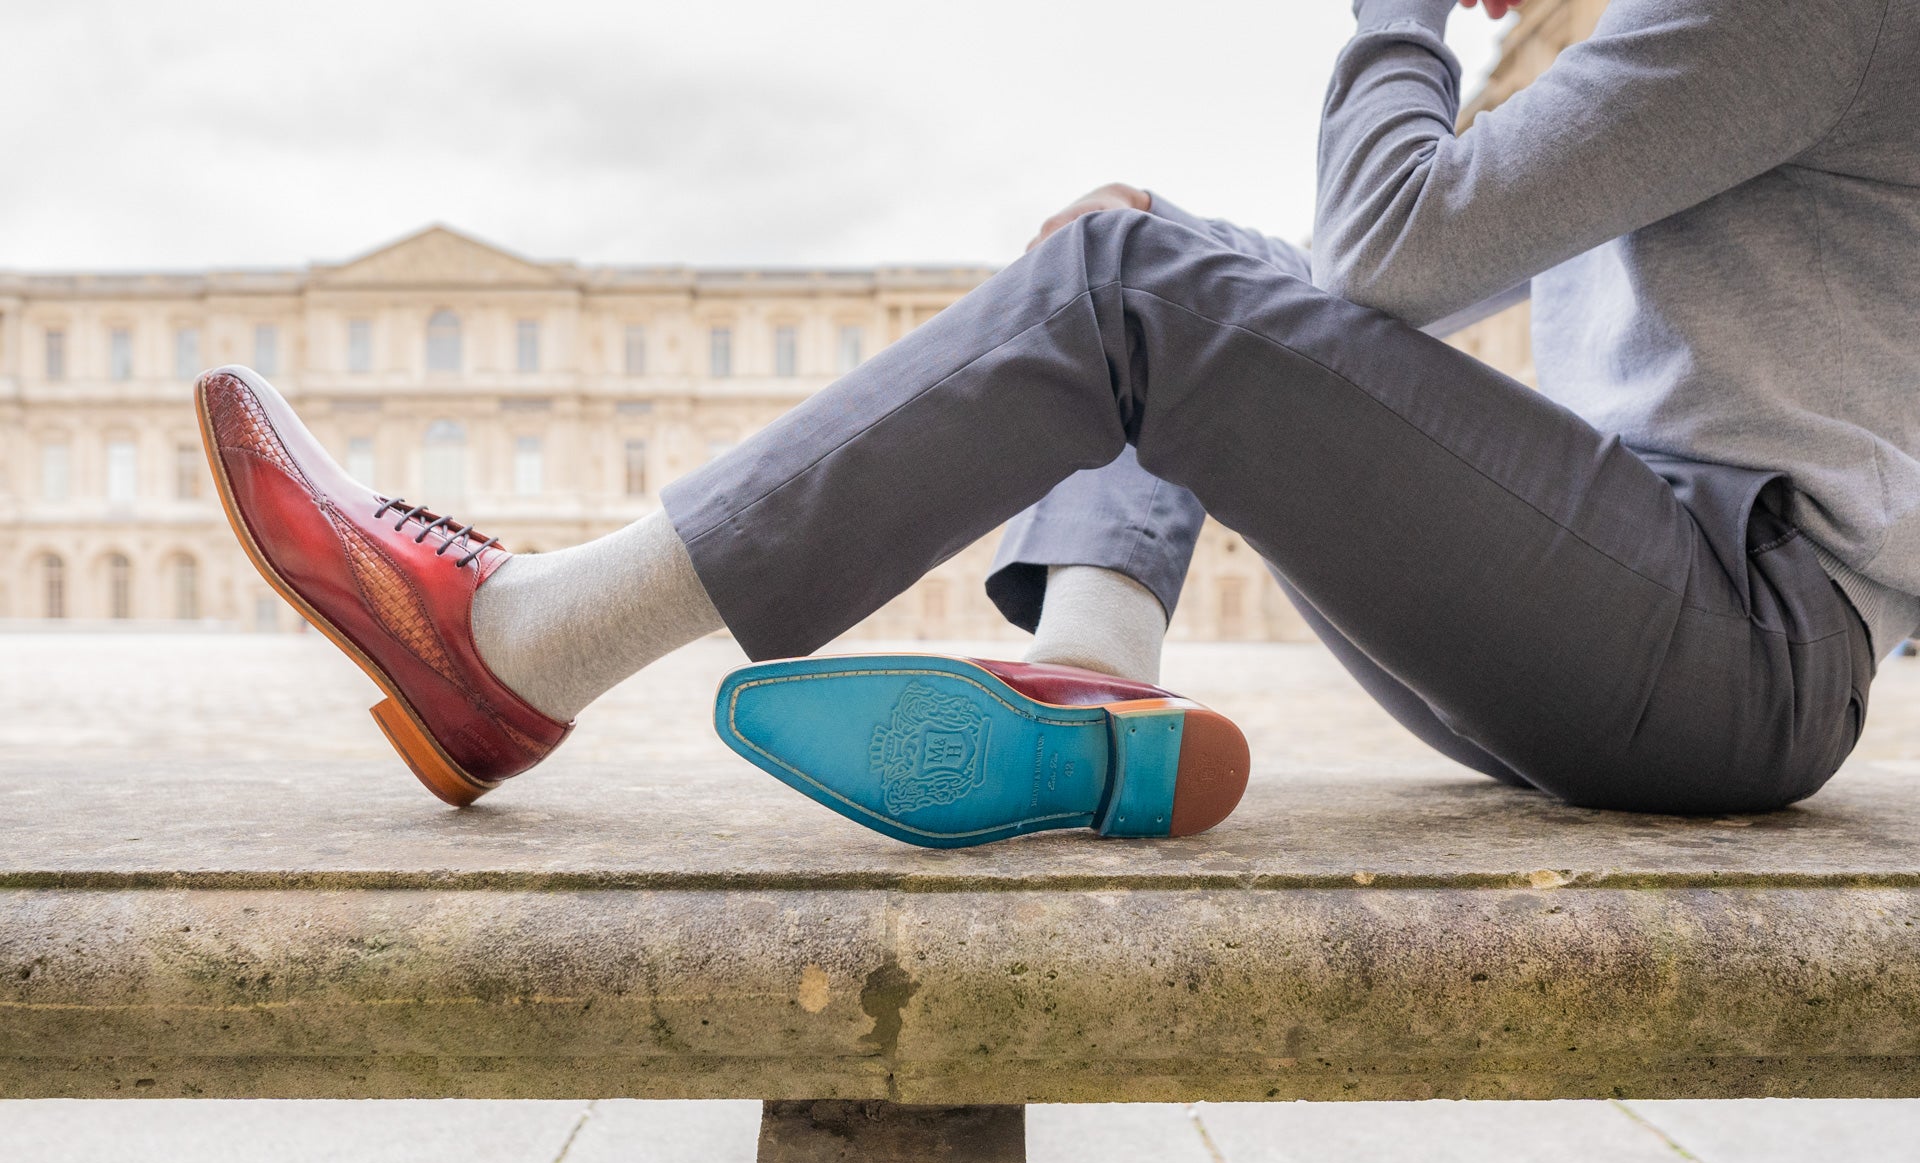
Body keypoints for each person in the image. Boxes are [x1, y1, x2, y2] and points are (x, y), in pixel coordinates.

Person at [194, 0, 1918, 846]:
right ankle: (1097, 671)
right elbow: (1360, 299)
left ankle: (508, 648)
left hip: (1734, 640)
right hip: (1674, 629)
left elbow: (1396, 249)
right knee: (1166, 256)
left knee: (1136, 278)